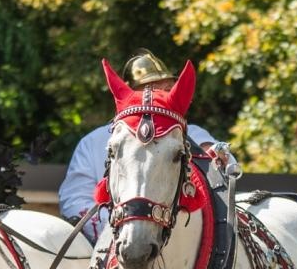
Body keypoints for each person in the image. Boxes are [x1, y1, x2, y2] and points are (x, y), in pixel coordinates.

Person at [59, 49, 217, 242]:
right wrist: (122, 229)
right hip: (108, 243)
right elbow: (75, 201)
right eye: (152, 89)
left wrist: (214, 155)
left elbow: (217, 164)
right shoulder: (92, 142)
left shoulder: (192, 134)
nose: (164, 96)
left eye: (167, 89)